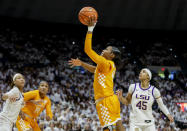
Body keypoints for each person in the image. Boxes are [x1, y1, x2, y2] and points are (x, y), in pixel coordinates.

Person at [68, 16, 125, 131]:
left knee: (107, 128)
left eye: (107, 50)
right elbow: (95, 70)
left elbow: (88, 50)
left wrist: (90, 29)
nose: (104, 50)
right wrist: (82, 64)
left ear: (112, 55)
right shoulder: (107, 65)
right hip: (111, 99)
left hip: (105, 100)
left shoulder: (106, 62)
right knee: (119, 127)